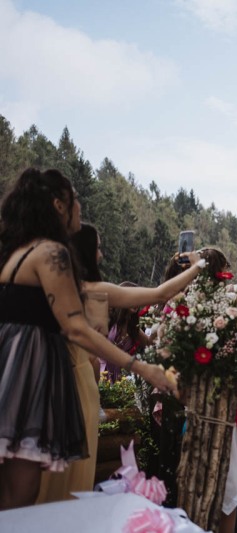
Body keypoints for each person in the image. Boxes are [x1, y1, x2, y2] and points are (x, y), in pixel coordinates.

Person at [0, 168, 175, 510]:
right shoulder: (51, 253)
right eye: (75, 198)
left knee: (10, 496)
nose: (80, 205)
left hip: (11, 371)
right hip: (27, 376)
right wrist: (142, 368)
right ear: (58, 205)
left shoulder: (15, 253)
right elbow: (75, 328)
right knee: (22, 494)